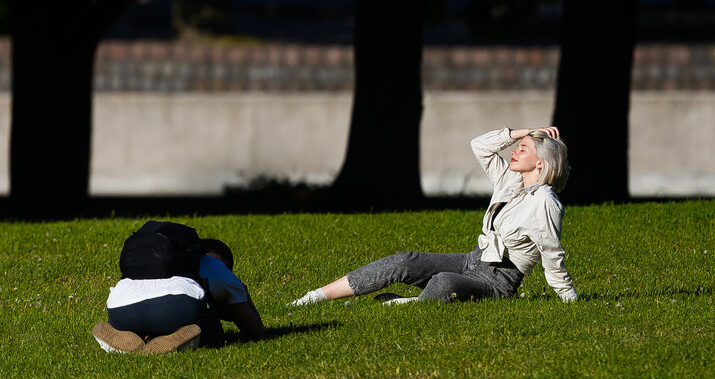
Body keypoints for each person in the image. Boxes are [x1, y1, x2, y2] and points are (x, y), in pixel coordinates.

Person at [291, 126, 578, 306]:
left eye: (523, 149)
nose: (514, 151)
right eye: (517, 146)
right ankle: (314, 297)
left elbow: (552, 254)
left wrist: (569, 300)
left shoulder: (545, 202)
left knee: (444, 282)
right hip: (471, 259)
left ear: (540, 163)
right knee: (405, 260)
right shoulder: (509, 180)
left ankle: (409, 304)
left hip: (497, 282)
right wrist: (521, 133)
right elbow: (480, 145)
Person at [92, 237, 265, 354]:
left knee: (151, 316)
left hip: (119, 310)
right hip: (177, 308)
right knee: (208, 328)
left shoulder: (153, 261)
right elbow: (255, 333)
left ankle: (129, 337)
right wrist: (243, 293)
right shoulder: (218, 267)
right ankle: (181, 339)